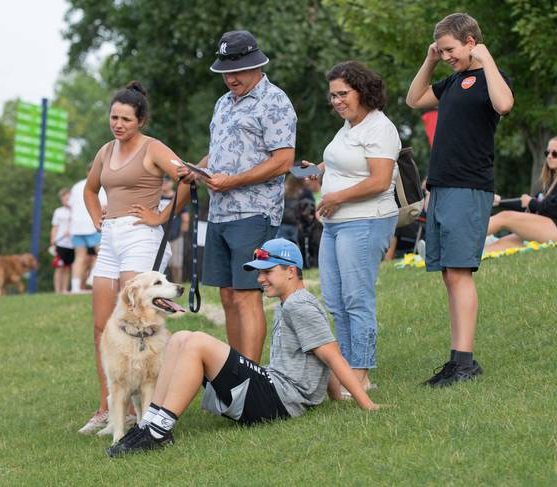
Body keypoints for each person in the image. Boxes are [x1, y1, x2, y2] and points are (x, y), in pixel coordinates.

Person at [105, 238, 378, 457]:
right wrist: (335, 398)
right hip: (273, 391)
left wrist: (367, 405)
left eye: (268, 271)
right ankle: (148, 424)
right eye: (260, 272)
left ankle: (159, 430)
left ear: (291, 271)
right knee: (180, 338)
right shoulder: (289, 302)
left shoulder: (300, 305)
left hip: (280, 401)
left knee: (197, 341)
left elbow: (331, 356)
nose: (260, 279)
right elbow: (320, 356)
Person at [406, 12, 514, 387]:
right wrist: (430, 59)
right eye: (442, 49)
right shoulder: (451, 83)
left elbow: (504, 105)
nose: (446, 55)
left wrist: (487, 59)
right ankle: (458, 359)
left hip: (469, 188)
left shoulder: (490, 80)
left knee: (460, 271)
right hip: (442, 187)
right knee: (450, 274)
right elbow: (414, 98)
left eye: (450, 49)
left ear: (471, 42)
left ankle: (464, 362)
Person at [78, 81, 191, 435]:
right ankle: (110, 408)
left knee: (134, 323)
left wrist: (161, 215)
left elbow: (188, 179)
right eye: (114, 117)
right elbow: (90, 187)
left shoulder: (153, 147)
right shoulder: (105, 151)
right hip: (111, 237)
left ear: (140, 120)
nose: (118, 124)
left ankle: (150, 409)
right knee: (102, 326)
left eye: (126, 118)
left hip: (141, 235)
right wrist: (97, 216)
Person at [184, 30, 297, 364]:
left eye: (237, 71)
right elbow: (219, 152)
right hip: (219, 212)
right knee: (229, 296)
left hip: (254, 213)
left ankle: (251, 382)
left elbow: (283, 160)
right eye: (225, 73)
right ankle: (235, 372)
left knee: (248, 296)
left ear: (256, 66)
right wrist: (198, 169)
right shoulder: (223, 103)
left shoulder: (274, 101)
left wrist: (232, 181)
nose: (230, 78)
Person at [303, 61, 401, 393]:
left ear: (362, 90)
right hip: (335, 223)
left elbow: (379, 180)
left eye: (343, 94)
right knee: (335, 300)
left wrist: (337, 197)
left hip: (366, 221)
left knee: (356, 299)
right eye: (332, 96)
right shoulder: (348, 127)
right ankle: (349, 370)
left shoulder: (379, 127)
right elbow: (344, 163)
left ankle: (359, 374)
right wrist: (316, 172)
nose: (337, 101)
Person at [485, 135, 557, 253]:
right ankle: (469, 259)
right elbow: (529, 205)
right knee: (507, 242)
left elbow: (551, 210)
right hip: (551, 227)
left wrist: (531, 201)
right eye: (547, 153)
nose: (549, 157)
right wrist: (499, 201)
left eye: (555, 154)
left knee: (505, 217)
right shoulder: (553, 180)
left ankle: (462, 237)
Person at [69, 165, 107, 293]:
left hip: (76, 227)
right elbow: (103, 205)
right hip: (92, 225)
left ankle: (75, 288)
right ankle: (92, 278)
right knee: (102, 253)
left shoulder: (76, 186)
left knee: (79, 257)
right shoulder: (99, 186)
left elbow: (70, 205)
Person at [158, 176, 190, 283]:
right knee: (159, 265)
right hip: (158, 236)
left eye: (167, 181)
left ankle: (177, 285)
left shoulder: (178, 198)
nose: (164, 184)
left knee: (176, 264)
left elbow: (186, 218)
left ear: (172, 183)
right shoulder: (157, 197)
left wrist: (181, 234)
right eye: (163, 181)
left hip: (175, 236)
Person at [276, 175, 313, 246]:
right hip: (298, 225)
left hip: (282, 223)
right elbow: (311, 207)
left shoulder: (283, 190)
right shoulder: (305, 192)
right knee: (296, 247)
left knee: (281, 247)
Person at [50, 187, 74, 294]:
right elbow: (55, 227)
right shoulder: (58, 212)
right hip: (60, 243)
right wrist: (53, 241)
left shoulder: (77, 211)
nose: (67, 200)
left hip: (73, 244)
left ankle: (65, 289)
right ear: (62, 199)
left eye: (69, 198)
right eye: (65, 198)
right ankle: (57, 290)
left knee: (68, 268)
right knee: (59, 267)